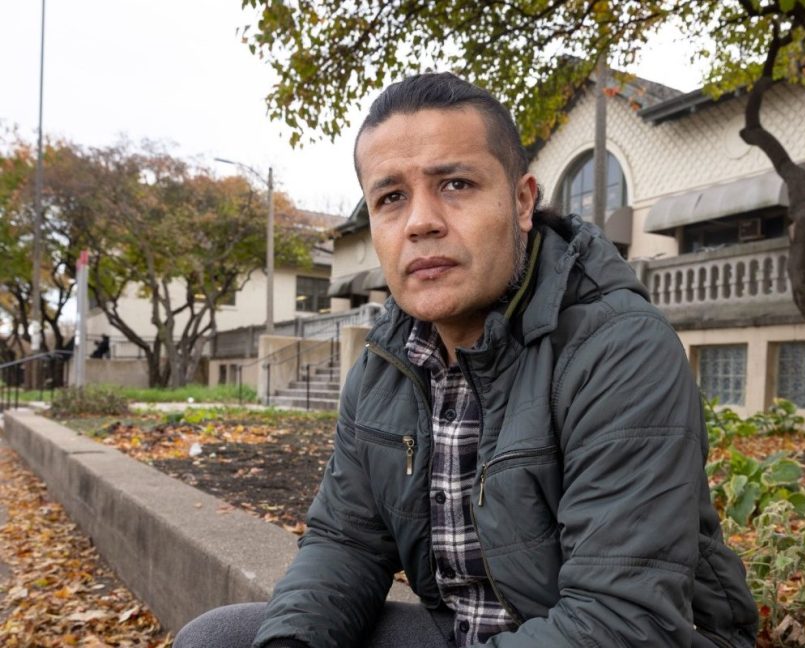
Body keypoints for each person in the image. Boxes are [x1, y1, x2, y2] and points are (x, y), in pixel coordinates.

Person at [175, 72, 757, 648]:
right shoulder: (386, 366)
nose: (421, 221)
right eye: (391, 197)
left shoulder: (617, 350)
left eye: (454, 184)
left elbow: (622, 622)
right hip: (465, 633)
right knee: (220, 639)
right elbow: (344, 543)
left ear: (522, 201)